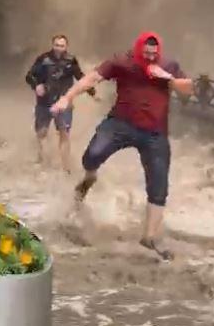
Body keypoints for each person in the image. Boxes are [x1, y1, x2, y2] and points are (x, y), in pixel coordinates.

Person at [51, 32, 193, 259]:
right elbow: (92, 78)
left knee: (159, 185)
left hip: (155, 132)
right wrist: (67, 97)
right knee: (91, 156)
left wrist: (167, 77)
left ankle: (149, 238)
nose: (150, 56)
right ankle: (89, 178)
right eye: (146, 53)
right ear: (138, 50)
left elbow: (188, 89)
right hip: (121, 124)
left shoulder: (168, 65)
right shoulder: (122, 62)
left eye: (154, 53)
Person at [25, 34, 94, 172]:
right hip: (45, 102)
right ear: (52, 45)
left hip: (64, 102)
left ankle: (65, 166)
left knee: (64, 133)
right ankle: (42, 160)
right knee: (41, 132)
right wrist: (36, 85)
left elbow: (80, 77)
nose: (58, 48)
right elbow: (29, 76)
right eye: (56, 45)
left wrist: (92, 91)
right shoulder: (43, 59)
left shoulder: (71, 60)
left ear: (66, 47)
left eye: (61, 46)